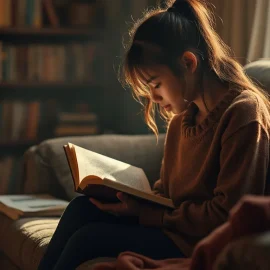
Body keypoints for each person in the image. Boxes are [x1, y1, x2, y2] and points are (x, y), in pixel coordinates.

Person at [38, 0, 270, 269]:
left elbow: (226, 216)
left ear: (188, 62)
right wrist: (131, 200)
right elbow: (168, 193)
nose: (154, 98)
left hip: (198, 240)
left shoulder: (243, 113)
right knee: (81, 208)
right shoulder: (181, 121)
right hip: (171, 228)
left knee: (87, 240)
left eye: (156, 84)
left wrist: (150, 215)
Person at [93, 195, 270, 270]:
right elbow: (163, 189)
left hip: (188, 239)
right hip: (165, 225)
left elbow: (222, 214)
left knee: (90, 237)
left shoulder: (242, 119)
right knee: (82, 209)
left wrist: (147, 213)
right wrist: (136, 206)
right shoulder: (180, 121)